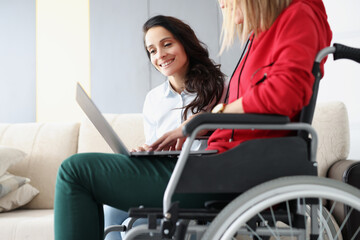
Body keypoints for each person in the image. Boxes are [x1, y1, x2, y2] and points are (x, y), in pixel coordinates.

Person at [54, 1, 332, 240]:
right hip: (218, 163)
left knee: (75, 172)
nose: (221, 4)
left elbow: (284, 94)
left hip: (227, 172)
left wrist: (205, 119)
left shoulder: (297, 15)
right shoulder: (265, 33)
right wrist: (195, 131)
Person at [103, 15, 226, 240]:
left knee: (138, 223)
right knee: (111, 207)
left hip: (198, 181)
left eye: (167, 44)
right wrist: (146, 153)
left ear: (185, 42)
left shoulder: (219, 89)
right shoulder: (153, 99)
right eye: (152, 51)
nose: (160, 55)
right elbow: (157, 148)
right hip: (162, 178)